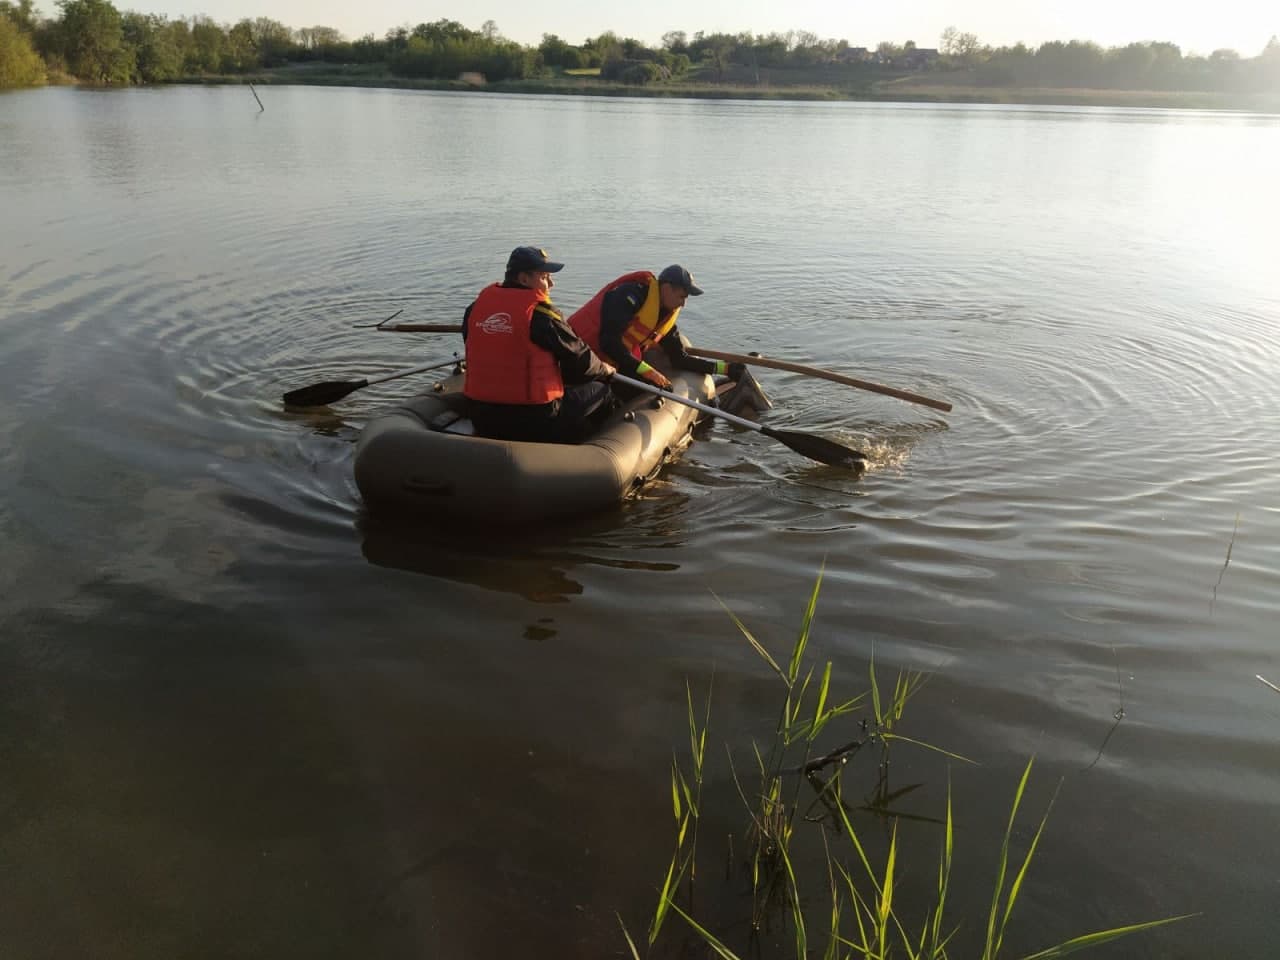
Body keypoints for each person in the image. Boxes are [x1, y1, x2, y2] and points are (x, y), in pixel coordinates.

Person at [462, 246, 616, 444]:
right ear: (524, 279)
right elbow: (582, 363)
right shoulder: (543, 316)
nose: (551, 283)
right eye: (544, 277)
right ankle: (592, 446)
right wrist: (605, 369)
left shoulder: (475, 309)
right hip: (535, 419)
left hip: (481, 415)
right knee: (602, 390)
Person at [568, 264, 746, 390]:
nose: (683, 304)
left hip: (608, 364)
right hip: (576, 357)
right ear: (667, 288)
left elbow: (679, 358)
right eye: (681, 296)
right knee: (634, 387)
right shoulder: (628, 296)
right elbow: (609, 342)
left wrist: (724, 368)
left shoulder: (663, 318)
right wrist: (647, 371)